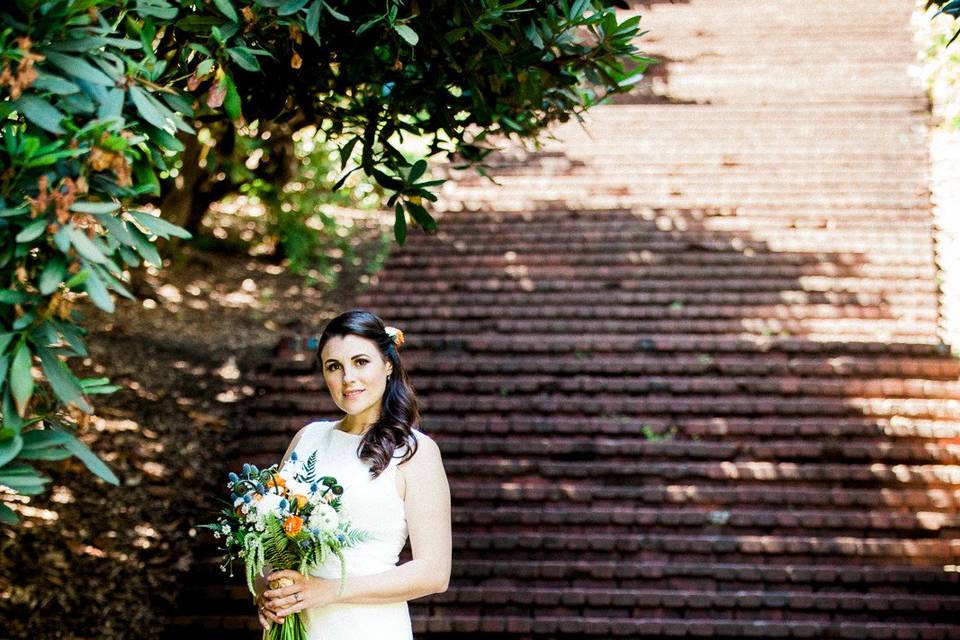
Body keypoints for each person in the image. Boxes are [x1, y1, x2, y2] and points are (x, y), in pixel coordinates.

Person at [255, 309, 452, 639]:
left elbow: (434, 572)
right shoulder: (308, 438)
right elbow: (264, 538)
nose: (348, 378)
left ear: (388, 364)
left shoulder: (415, 452)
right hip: (299, 627)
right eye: (334, 367)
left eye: (361, 362)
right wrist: (267, 592)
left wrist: (327, 590)